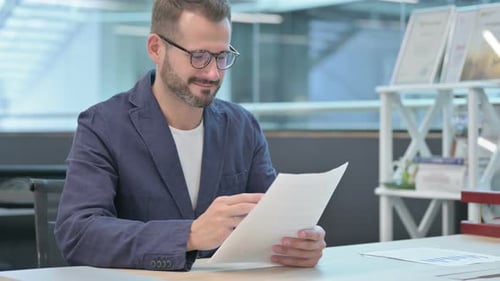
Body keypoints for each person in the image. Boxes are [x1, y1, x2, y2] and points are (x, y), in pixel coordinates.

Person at [55, 0, 326, 271]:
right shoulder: (104, 124)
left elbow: (273, 220)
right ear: (156, 48)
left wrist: (299, 244)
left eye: (221, 56)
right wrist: (190, 235)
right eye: (198, 56)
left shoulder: (241, 126)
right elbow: (78, 234)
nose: (213, 72)